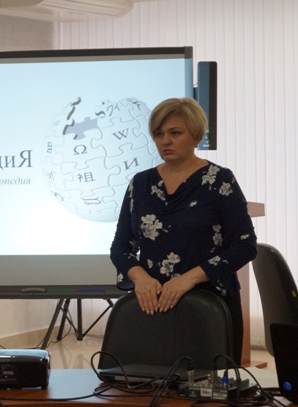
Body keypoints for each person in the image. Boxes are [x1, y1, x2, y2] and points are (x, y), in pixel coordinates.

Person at [110, 97, 257, 364]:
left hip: (210, 310)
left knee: (210, 387)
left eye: (175, 133)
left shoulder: (220, 180)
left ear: (196, 136)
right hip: (152, 308)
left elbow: (245, 245)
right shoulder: (139, 184)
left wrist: (189, 279)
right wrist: (141, 279)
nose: (165, 141)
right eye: (159, 134)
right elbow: (120, 247)